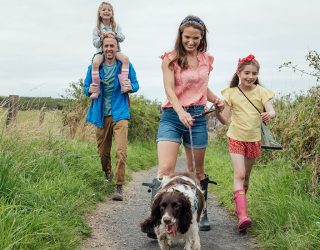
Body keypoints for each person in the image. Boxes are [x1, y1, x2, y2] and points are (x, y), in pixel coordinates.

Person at [142, 15, 224, 238]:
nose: (191, 41)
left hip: (197, 116)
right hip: (172, 115)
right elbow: (170, 89)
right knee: (165, 169)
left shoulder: (207, 59)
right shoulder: (170, 58)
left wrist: (216, 99)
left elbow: (201, 87)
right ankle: (156, 220)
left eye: (196, 38)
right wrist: (180, 112)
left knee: (196, 171)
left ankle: (200, 211)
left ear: (202, 37)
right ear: (180, 35)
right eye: (187, 37)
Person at [217, 54, 276, 232]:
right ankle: (243, 216)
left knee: (246, 178)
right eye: (247, 73)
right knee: (240, 174)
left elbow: (272, 111)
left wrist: (269, 115)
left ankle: (240, 210)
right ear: (239, 72)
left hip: (254, 140)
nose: (250, 77)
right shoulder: (231, 93)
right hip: (235, 137)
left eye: (254, 73)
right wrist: (217, 112)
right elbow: (225, 119)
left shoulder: (261, 92)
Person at [83, 34, 139, 201]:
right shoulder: (95, 67)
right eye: (106, 46)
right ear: (102, 48)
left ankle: (119, 186)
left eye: (112, 46)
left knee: (121, 151)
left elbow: (135, 84)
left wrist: (131, 87)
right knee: (103, 153)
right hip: (100, 114)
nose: (109, 49)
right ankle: (107, 172)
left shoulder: (124, 65)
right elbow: (86, 87)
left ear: (117, 48)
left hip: (120, 113)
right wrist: (90, 89)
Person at [91, 2, 130, 99]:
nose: (106, 12)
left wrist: (115, 34)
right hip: (101, 52)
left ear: (112, 13)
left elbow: (122, 38)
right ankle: (96, 89)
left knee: (125, 59)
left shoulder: (116, 26)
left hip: (115, 51)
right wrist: (101, 37)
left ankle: (124, 85)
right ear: (99, 13)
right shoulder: (97, 29)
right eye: (104, 10)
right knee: (95, 63)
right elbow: (95, 43)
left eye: (109, 10)